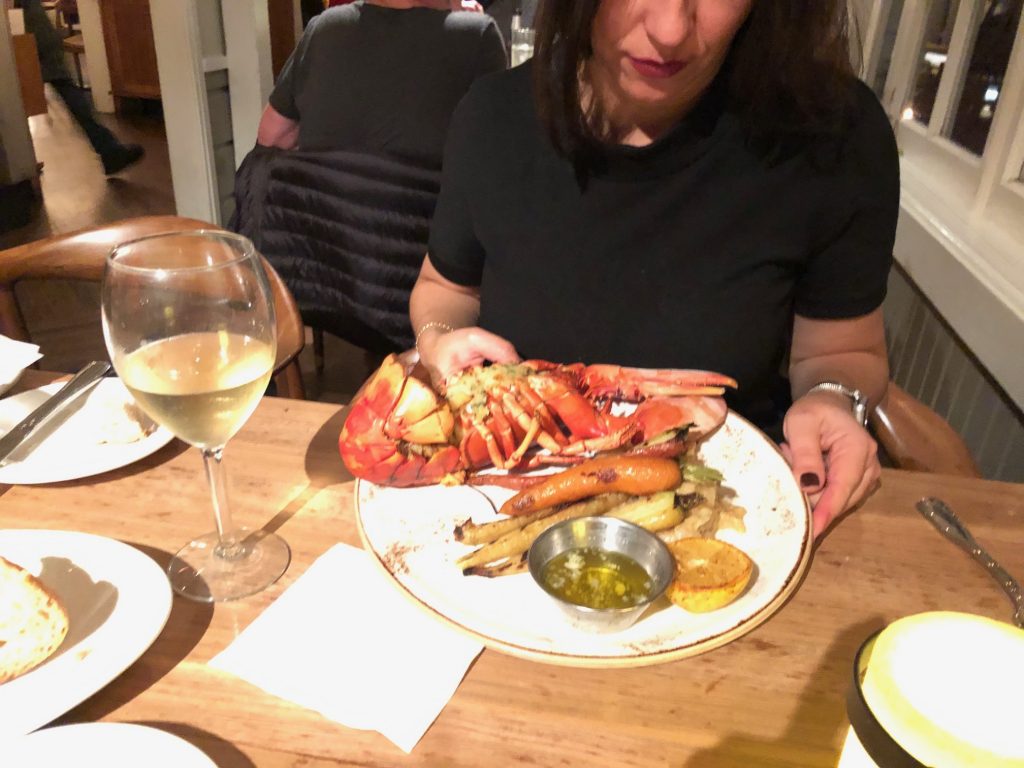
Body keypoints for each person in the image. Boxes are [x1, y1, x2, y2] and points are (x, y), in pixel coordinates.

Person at [409, 0, 898, 538]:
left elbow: (842, 353)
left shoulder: (833, 134)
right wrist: (438, 338)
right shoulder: (491, 117)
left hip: (737, 519)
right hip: (499, 501)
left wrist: (833, 397)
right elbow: (444, 289)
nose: (669, 31)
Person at [256, 0, 505, 164]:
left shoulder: (323, 30)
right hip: (426, 229)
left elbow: (272, 137)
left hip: (325, 228)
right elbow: (496, 161)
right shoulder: (476, 37)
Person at [16, 0, 144, 175]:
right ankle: (109, 151)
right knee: (64, 88)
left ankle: (20, 162)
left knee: (52, 89)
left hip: (25, 27)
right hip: (27, 28)